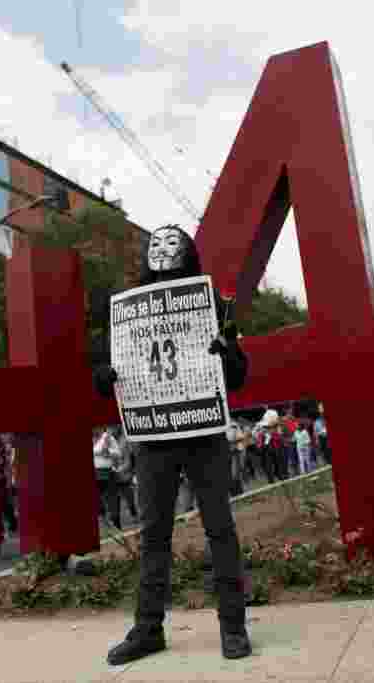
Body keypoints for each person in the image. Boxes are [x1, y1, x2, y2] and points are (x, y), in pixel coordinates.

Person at [94, 224, 252, 664]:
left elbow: (238, 377)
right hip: (154, 439)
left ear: (188, 252)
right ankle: (147, 630)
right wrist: (103, 378)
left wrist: (229, 352)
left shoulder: (213, 305)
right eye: (155, 243)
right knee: (153, 535)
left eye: (172, 242)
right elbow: (107, 373)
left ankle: (233, 627)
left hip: (202, 433)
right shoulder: (126, 312)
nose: (162, 249)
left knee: (220, 529)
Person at [93, 427, 122, 530]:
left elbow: (119, 453)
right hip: (95, 474)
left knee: (113, 499)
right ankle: (104, 521)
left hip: (108, 473)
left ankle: (116, 523)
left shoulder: (108, 437)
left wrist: (109, 452)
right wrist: (99, 451)